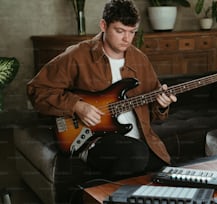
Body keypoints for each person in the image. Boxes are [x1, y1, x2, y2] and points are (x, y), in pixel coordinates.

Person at [27, 0, 177, 180]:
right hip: (93, 138)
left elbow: (156, 113)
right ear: (103, 25)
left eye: (132, 32)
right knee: (135, 153)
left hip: (139, 139)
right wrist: (77, 106)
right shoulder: (78, 54)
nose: (126, 39)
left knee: (164, 171)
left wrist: (162, 105)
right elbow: (37, 89)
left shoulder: (140, 60)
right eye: (120, 31)